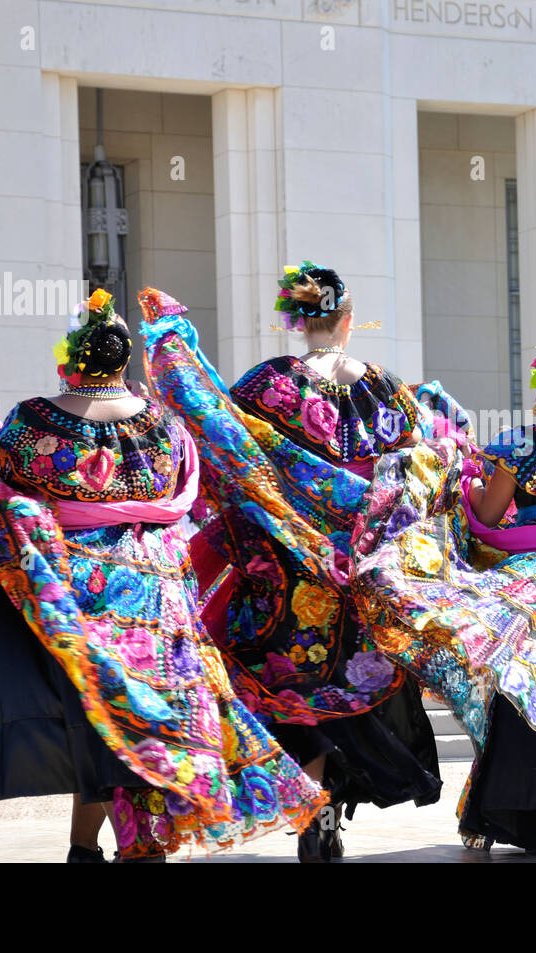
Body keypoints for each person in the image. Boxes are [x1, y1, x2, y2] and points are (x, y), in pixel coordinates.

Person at [0, 289, 325, 861]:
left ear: (68, 361)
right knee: (143, 724)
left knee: (94, 725)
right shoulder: (164, 427)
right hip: (157, 596)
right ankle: (138, 848)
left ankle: (86, 849)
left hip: (67, 593)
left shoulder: (35, 422)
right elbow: (187, 494)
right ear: (121, 363)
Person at [139, 272, 443, 863]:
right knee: (348, 682)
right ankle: (323, 810)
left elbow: (223, 444)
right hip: (359, 563)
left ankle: (312, 803)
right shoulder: (388, 388)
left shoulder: (269, 383)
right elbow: (416, 464)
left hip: (285, 563)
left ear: (297, 321)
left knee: (285, 685)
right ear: (349, 321)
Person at [352, 328, 536, 856]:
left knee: (521, 684)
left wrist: (465, 494)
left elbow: (490, 516)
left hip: (532, 578)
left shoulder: (519, 443)